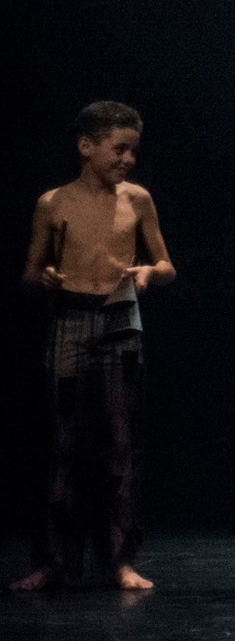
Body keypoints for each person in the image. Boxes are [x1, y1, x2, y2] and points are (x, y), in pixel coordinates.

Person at [13, 102, 173, 592]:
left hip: (121, 320)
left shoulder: (138, 199)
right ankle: (54, 562)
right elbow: (29, 272)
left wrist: (149, 272)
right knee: (61, 443)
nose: (128, 159)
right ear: (86, 147)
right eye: (119, 149)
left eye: (133, 151)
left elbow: (166, 265)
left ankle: (120, 560)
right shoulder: (53, 203)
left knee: (121, 442)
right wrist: (45, 277)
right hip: (71, 319)